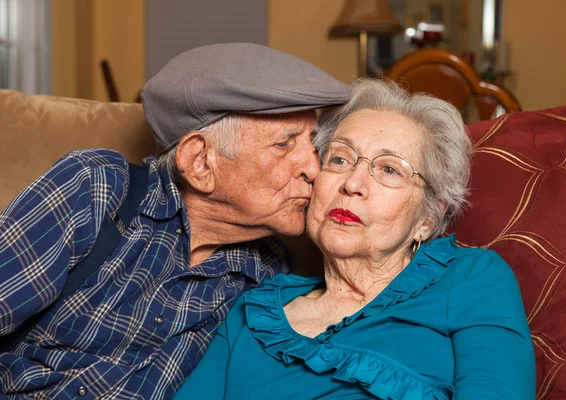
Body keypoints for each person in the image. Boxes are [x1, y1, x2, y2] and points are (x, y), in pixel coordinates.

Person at [0, 43, 350, 399]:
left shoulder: (268, 278)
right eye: (284, 144)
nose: (314, 168)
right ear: (199, 162)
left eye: (311, 142)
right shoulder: (96, 189)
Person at [174, 79, 537, 399]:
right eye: (340, 159)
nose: (352, 184)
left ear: (428, 218)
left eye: (389, 169)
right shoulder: (254, 312)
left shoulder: (471, 278)